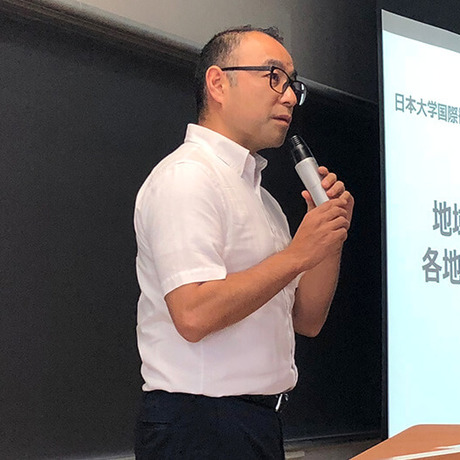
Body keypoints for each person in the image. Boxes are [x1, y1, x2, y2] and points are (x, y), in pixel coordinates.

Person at [133, 25, 354, 459]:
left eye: (293, 85)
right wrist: (297, 255)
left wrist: (328, 233)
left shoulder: (264, 202)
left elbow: (307, 319)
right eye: (274, 77)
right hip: (198, 426)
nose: (289, 97)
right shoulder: (188, 177)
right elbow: (193, 314)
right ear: (218, 83)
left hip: (256, 422)